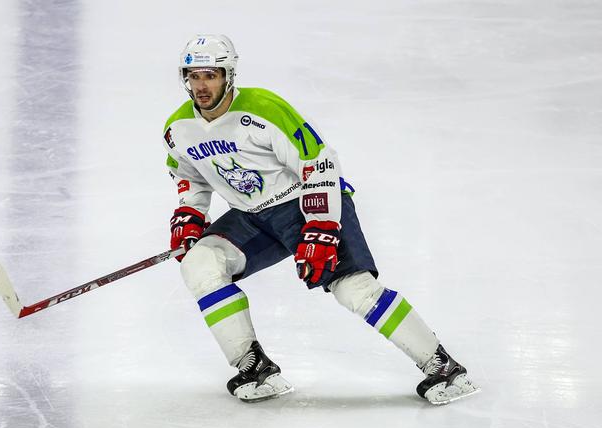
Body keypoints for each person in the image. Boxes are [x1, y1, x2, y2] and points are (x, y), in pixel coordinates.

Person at [163, 34, 478, 404]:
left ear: (228, 75)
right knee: (201, 263)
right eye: (194, 76)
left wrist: (322, 226)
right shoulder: (178, 128)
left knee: (353, 289)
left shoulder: (265, 110)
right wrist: (189, 214)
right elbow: (190, 177)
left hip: (306, 202)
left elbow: (319, 163)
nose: (201, 85)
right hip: (252, 216)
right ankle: (253, 366)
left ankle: (441, 365)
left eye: (210, 75)